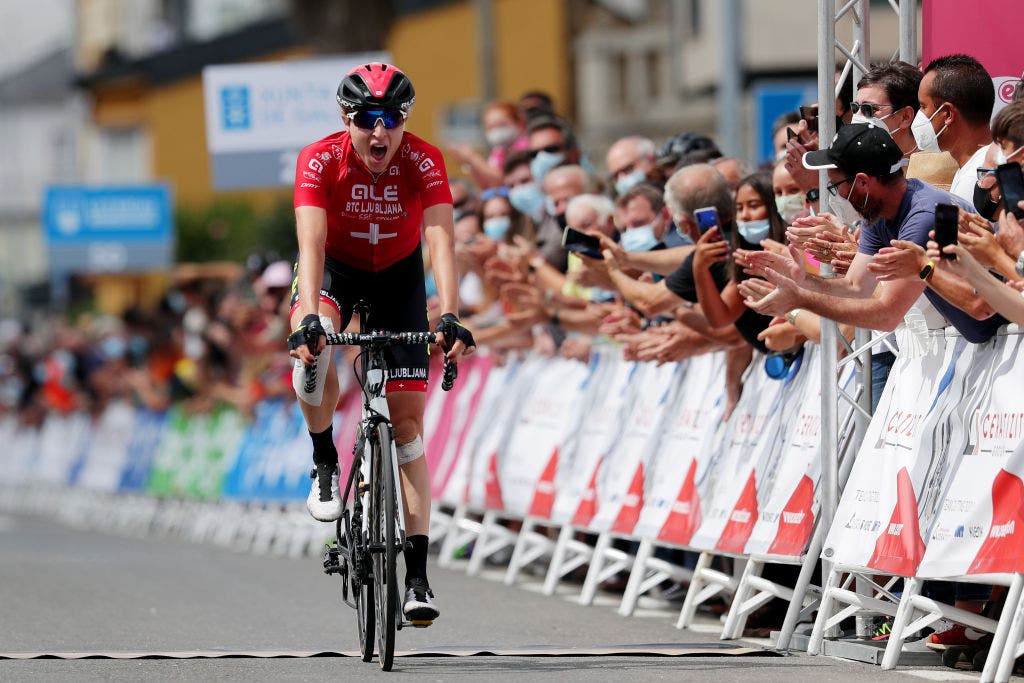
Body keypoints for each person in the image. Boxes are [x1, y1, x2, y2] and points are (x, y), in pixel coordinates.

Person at [288, 63, 476, 624]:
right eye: (367, 119)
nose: (380, 132)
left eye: (391, 119)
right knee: (310, 347)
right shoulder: (319, 159)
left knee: (410, 426)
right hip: (336, 271)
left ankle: (416, 577)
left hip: (397, 276)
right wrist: (309, 319)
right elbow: (311, 239)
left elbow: (441, 240)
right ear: (346, 118)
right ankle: (324, 458)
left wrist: (451, 313)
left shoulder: (424, 159)